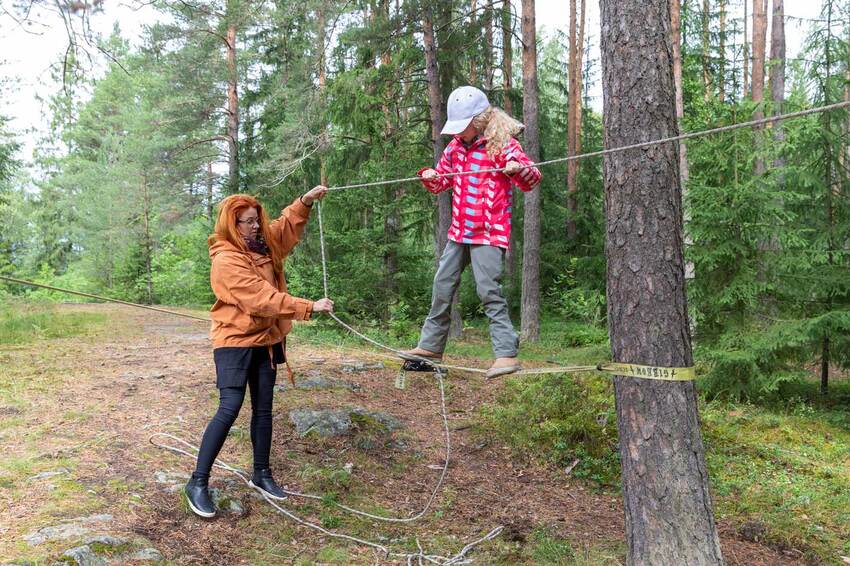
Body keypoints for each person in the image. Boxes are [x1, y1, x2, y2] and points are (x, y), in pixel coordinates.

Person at [184, 187, 334, 518]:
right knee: (229, 408)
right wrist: (307, 306)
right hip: (234, 342)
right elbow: (261, 298)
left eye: (257, 220)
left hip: (266, 340)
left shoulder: (261, 244)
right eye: (248, 222)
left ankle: (261, 474)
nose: (256, 226)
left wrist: (304, 202)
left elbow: (281, 230)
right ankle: (197, 482)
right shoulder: (226, 260)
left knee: (263, 409)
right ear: (232, 225)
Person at [402, 86, 541, 378]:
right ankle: (430, 347)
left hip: (489, 233)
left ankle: (506, 354)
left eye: (462, 127)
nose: (458, 133)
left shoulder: (502, 144)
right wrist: (430, 176)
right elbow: (441, 182)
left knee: (488, 290)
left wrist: (516, 169)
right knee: (442, 286)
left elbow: (532, 179)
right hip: (459, 232)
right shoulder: (455, 147)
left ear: (478, 122)